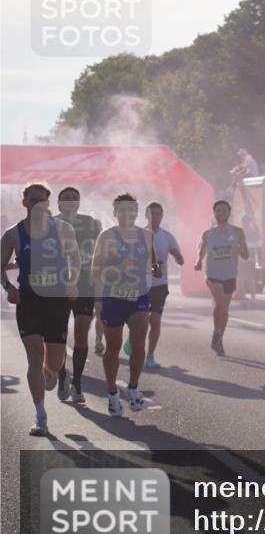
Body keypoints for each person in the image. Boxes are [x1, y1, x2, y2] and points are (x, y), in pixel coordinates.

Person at [1, 182, 80, 435]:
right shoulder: (13, 234)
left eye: (42, 200)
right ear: (24, 202)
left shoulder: (63, 229)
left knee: (52, 363)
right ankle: (41, 416)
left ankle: (56, 369)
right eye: (32, 200)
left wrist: (72, 282)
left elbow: (75, 259)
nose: (37, 204)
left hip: (57, 302)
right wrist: (9, 288)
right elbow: (0, 266)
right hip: (29, 302)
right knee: (34, 356)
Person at [92, 193, 156, 417]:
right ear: (115, 213)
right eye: (122, 210)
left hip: (138, 298)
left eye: (131, 209)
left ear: (136, 212)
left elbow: (151, 263)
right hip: (114, 298)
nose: (127, 213)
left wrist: (155, 272)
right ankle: (112, 393)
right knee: (113, 349)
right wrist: (118, 267)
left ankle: (133, 387)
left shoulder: (147, 235)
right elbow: (96, 269)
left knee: (138, 344)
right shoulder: (106, 236)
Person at [54, 186, 102, 405]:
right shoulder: (51, 223)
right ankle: (62, 376)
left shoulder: (91, 223)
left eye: (75, 198)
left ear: (79, 202)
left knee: (81, 333)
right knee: (60, 336)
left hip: (85, 284)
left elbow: (100, 252)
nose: (71, 201)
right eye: (66, 198)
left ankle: (77, 383)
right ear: (58, 203)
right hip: (58, 286)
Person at [195, 200, 248, 356]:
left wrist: (238, 249)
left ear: (228, 213)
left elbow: (246, 255)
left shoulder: (237, 233)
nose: (221, 213)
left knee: (223, 308)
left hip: (230, 275)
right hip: (213, 274)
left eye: (224, 211)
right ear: (214, 213)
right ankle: (217, 333)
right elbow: (202, 251)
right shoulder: (208, 234)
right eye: (218, 210)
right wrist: (198, 262)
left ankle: (218, 337)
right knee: (220, 303)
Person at [138, 202, 183, 369]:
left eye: (158, 214)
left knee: (155, 320)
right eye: (151, 214)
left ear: (162, 216)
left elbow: (176, 252)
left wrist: (179, 257)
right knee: (140, 321)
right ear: (145, 215)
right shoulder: (139, 235)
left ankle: (150, 356)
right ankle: (133, 342)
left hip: (160, 284)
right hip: (141, 283)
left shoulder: (167, 236)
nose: (155, 217)